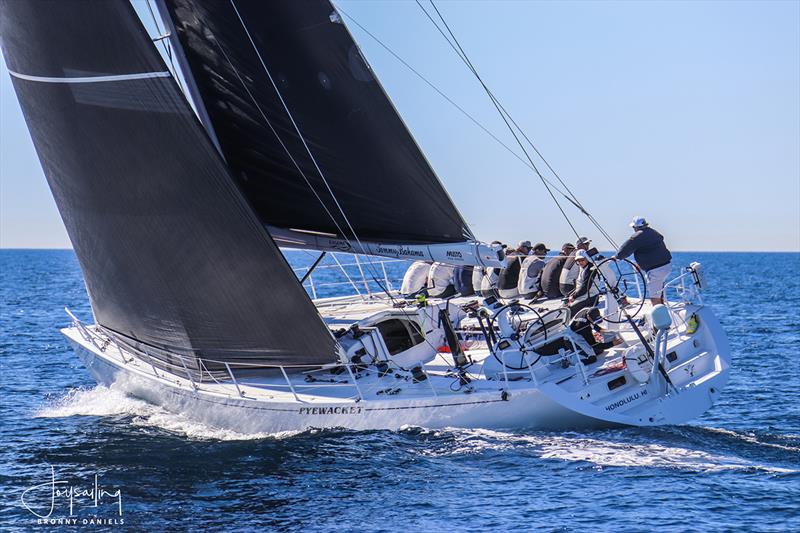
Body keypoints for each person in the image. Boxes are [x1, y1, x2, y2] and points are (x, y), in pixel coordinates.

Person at [613, 216, 672, 305]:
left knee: (654, 297)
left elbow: (626, 248)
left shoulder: (637, 236)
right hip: (666, 266)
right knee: (657, 288)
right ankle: (662, 304)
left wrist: (616, 257)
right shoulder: (653, 232)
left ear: (635, 227)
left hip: (656, 270)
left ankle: (660, 314)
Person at [568, 249, 600, 316]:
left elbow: (585, 287)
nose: (580, 262)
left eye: (582, 260)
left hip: (591, 297)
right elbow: (580, 285)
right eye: (578, 260)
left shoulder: (591, 269)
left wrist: (574, 296)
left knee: (570, 310)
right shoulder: (582, 267)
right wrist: (572, 295)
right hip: (583, 295)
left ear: (587, 259)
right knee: (565, 305)